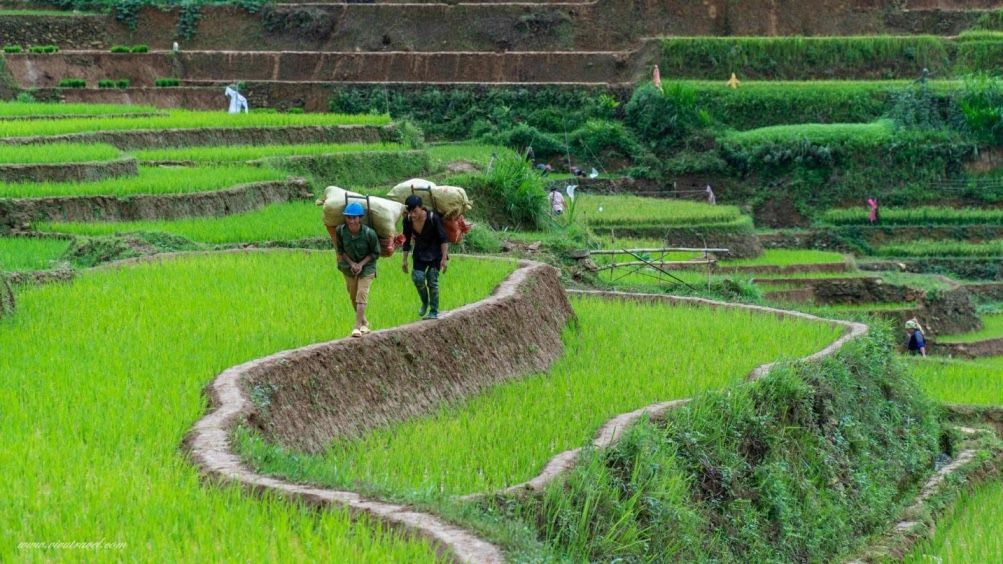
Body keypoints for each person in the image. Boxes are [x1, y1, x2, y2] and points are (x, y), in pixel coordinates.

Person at [327, 202, 379, 338]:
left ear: (360, 218)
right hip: (348, 267)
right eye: (349, 218)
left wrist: (361, 264)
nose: (351, 221)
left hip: (367, 267)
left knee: (361, 294)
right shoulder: (340, 231)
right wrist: (352, 264)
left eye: (354, 218)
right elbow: (341, 250)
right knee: (353, 296)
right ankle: (364, 323)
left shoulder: (369, 233)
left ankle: (357, 327)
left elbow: (375, 253)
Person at [402, 195, 448, 320]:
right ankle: (425, 302)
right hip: (419, 253)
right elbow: (406, 241)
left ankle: (433, 310)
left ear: (422, 208)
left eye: (415, 211)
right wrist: (404, 260)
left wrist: (444, 259)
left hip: (435, 254)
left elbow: (443, 239)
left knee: (432, 280)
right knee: (418, 278)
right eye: (410, 212)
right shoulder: (407, 220)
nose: (412, 214)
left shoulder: (433, 218)